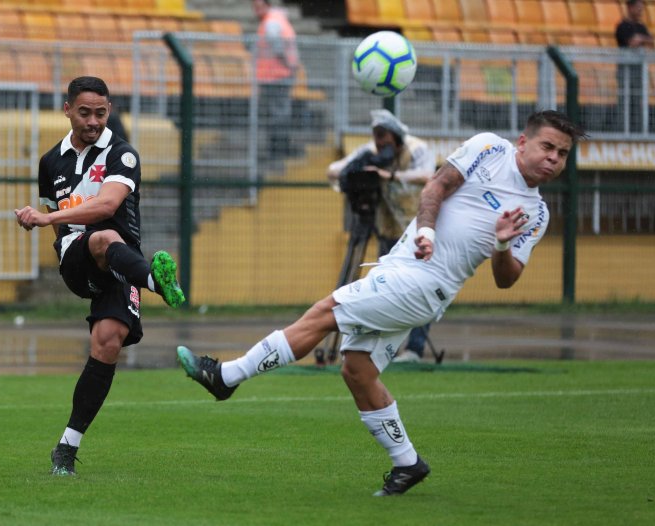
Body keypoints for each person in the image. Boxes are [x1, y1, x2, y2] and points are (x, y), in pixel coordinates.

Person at [177, 110, 586, 496]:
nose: (553, 159)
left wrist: (500, 242)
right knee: (357, 371)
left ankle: (226, 377)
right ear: (522, 142)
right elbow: (437, 187)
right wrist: (426, 231)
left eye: (562, 154)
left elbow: (506, 278)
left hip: (422, 285)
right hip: (405, 269)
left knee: (324, 313)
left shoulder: (536, 213)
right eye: (547, 147)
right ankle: (407, 462)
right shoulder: (489, 149)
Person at [14, 76, 185, 476]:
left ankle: (66, 449)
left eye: (101, 113)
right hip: (79, 257)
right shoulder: (49, 162)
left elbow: (106, 202)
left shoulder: (122, 155)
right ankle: (159, 283)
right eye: (85, 112)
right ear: (68, 109)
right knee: (102, 235)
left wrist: (47, 217)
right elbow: (60, 219)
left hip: (122, 265)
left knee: (107, 343)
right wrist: (55, 230)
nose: (93, 121)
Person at [327, 109, 435, 363]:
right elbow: (333, 170)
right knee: (385, 289)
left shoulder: (417, 148)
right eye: (376, 138)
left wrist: (391, 175)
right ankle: (385, 349)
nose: (380, 144)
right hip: (387, 230)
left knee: (420, 288)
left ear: (396, 137)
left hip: (417, 230)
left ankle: (415, 349)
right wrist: (362, 164)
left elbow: (428, 175)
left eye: (385, 138)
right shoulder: (371, 151)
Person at [252, 0, 300, 160]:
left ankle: (278, 148)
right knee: (279, 112)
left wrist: (288, 64)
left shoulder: (271, 22)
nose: (256, 10)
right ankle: (280, 146)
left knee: (278, 113)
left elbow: (277, 45)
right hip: (275, 75)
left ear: (267, 5)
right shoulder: (278, 20)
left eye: (259, 6)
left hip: (276, 75)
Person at [615, 0, 655, 133]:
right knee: (625, 100)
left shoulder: (641, 27)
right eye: (638, 8)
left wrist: (641, 39)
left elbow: (651, 43)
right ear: (630, 7)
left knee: (638, 100)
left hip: (639, 70)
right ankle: (622, 130)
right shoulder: (622, 26)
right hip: (625, 69)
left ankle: (638, 130)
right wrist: (641, 40)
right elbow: (631, 42)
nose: (640, 11)